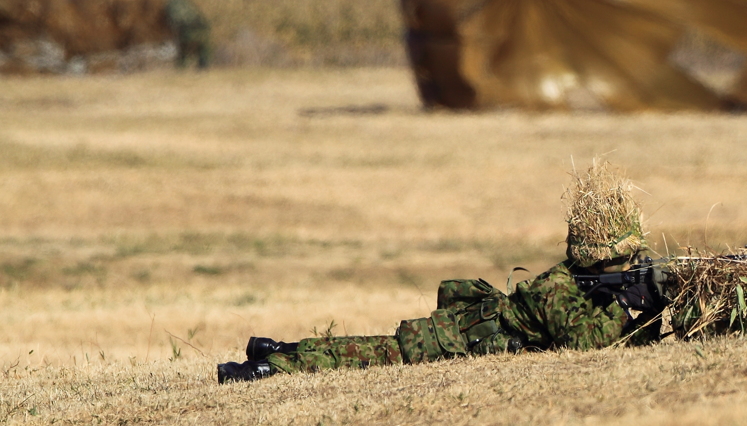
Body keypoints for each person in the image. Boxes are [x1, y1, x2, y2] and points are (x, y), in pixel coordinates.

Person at [217, 163, 665, 383]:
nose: (627, 269)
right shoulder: (557, 288)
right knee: (365, 355)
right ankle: (264, 368)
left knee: (366, 349)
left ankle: (276, 348)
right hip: (454, 338)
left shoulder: (584, 281)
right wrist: (630, 304)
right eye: (623, 264)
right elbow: (582, 342)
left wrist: (647, 295)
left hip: (468, 332)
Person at [164, 0, 211, 69]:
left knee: (184, 51)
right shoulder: (187, 8)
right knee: (202, 48)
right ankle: (203, 66)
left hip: (187, 34)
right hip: (198, 32)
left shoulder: (173, 8)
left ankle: (182, 68)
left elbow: (173, 23)